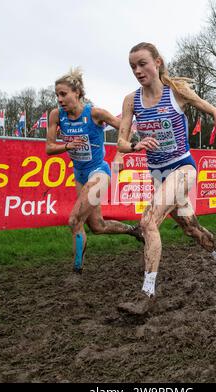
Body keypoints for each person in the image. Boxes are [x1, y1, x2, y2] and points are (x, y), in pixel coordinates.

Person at [117, 42, 216, 315]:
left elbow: (215, 112)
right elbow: (121, 142)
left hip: (182, 169)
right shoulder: (131, 101)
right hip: (159, 175)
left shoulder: (177, 92)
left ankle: (147, 294)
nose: (137, 70)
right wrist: (136, 144)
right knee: (191, 228)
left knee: (148, 221)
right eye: (132, 66)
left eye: (142, 63)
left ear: (157, 62)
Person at [46, 68, 143, 273]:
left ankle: (76, 271)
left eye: (63, 94)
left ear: (78, 92)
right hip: (80, 174)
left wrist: (120, 154)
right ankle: (134, 230)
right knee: (97, 226)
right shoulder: (56, 115)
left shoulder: (95, 113)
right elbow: (49, 148)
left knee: (74, 220)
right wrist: (67, 146)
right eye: (57, 95)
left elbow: (126, 130)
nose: (59, 99)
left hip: (99, 172)